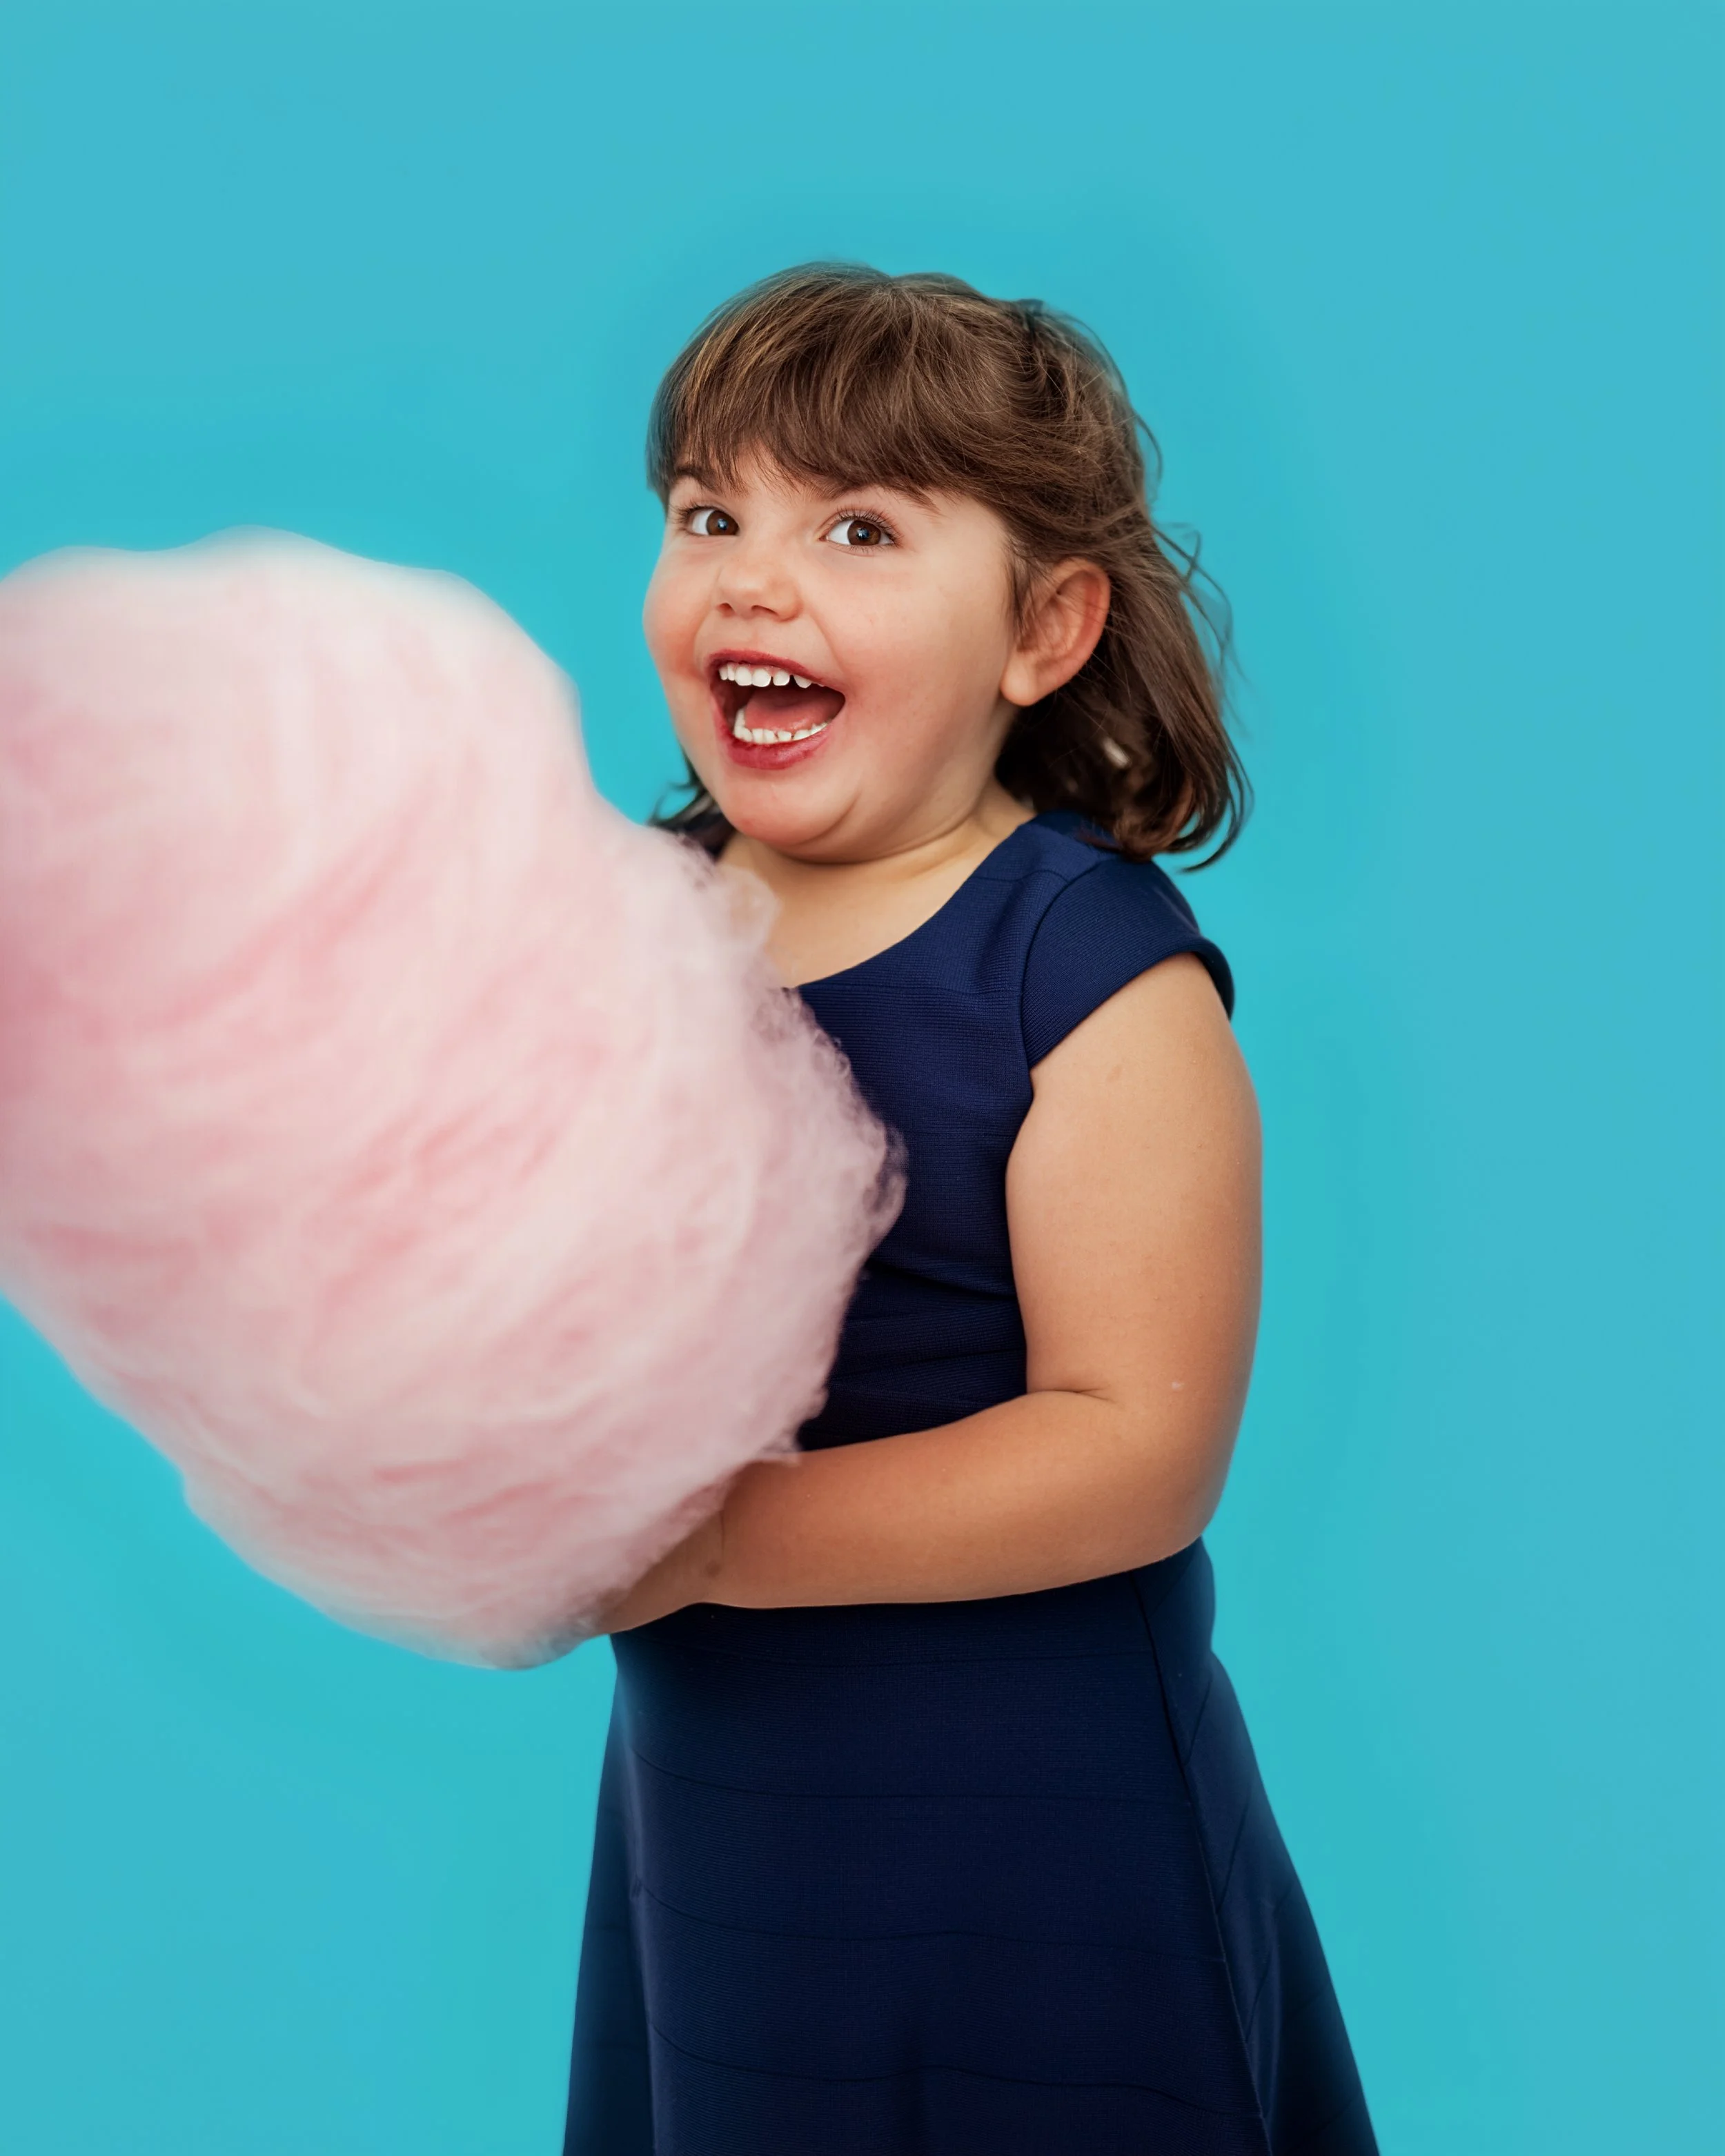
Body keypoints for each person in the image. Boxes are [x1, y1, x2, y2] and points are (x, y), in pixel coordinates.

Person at [564, 264, 1376, 2156]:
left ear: (1045, 629)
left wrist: (708, 1543)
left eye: (856, 526)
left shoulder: (1078, 976)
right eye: (709, 513)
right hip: (723, 1806)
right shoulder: (625, 926)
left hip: (1031, 1827)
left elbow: (1132, 1448)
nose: (753, 578)